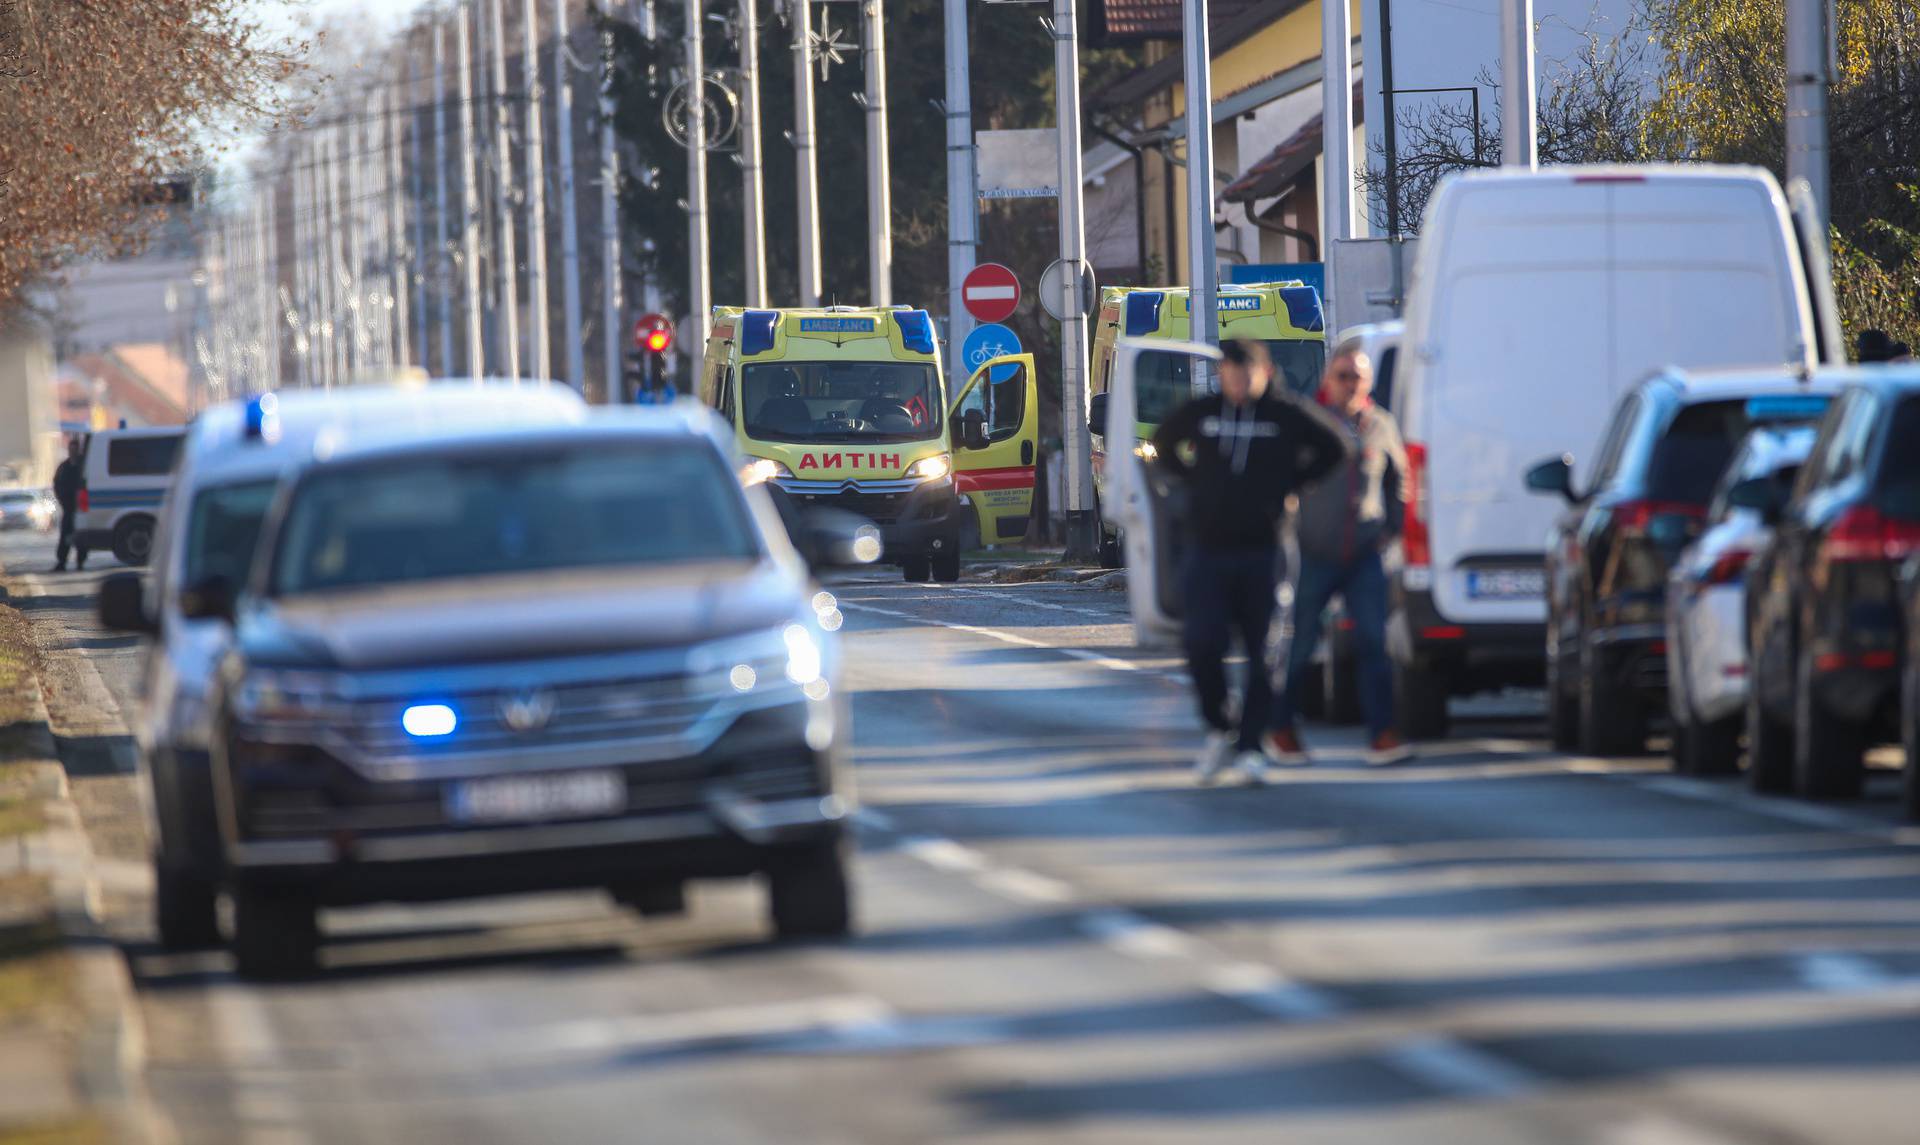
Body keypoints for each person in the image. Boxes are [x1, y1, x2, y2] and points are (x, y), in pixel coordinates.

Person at [1149, 339, 1349, 785]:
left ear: (1264, 372)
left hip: (1265, 550)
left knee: (1264, 653)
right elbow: (1162, 444)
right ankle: (1222, 724)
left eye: (1247, 373)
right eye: (1231, 372)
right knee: (1202, 644)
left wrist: (1295, 483)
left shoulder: (1285, 415)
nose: (1239, 381)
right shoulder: (1204, 413)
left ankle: (1251, 746)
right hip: (1209, 549)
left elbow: (1336, 447)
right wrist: (1195, 483)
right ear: (1222, 374)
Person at [1270, 347, 1413, 766]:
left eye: (1358, 377)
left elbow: (1400, 480)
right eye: (1343, 375)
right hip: (1316, 552)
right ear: (1328, 380)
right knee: (1301, 645)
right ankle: (1282, 731)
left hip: (1365, 555)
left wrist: (1391, 529)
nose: (1351, 384)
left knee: (1373, 641)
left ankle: (1382, 735)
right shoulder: (1308, 421)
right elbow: (1284, 477)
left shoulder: (1380, 425)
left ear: (1367, 384)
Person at [50, 437, 86, 572]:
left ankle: (80, 562)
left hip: (81, 507)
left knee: (81, 536)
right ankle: (62, 562)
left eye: (75, 449)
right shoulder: (64, 466)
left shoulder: (84, 465)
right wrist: (62, 500)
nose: (73, 452)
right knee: (65, 536)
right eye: (71, 449)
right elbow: (57, 484)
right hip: (68, 506)